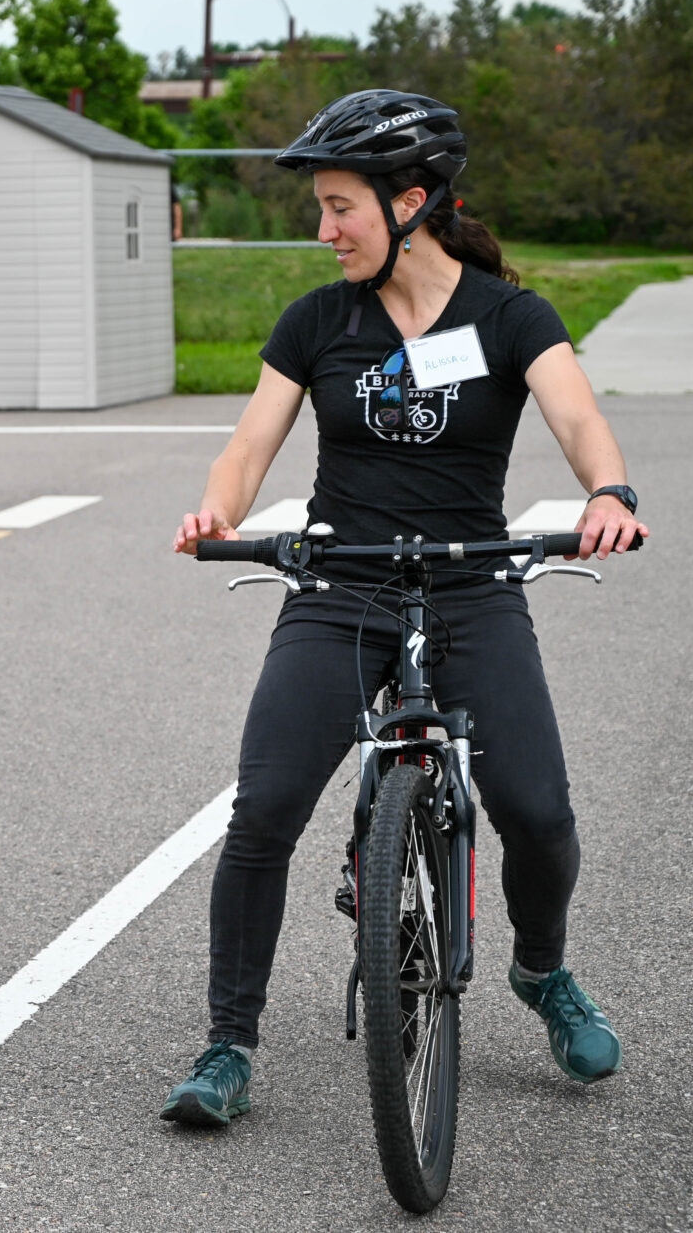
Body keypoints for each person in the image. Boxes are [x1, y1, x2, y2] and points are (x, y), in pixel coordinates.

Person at [163, 89, 649, 1127]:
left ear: (411, 202)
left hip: (472, 585)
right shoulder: (318, 321)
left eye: (341, 207)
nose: (324, 229)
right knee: (263, 811)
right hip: (345, 584)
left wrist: (608, 490)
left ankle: (542, 970)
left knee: (541, 812)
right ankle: (227, 1044)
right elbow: (251, 441)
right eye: (323, 208)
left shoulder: (510, 317)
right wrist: (220, 506)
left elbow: (578, 415)